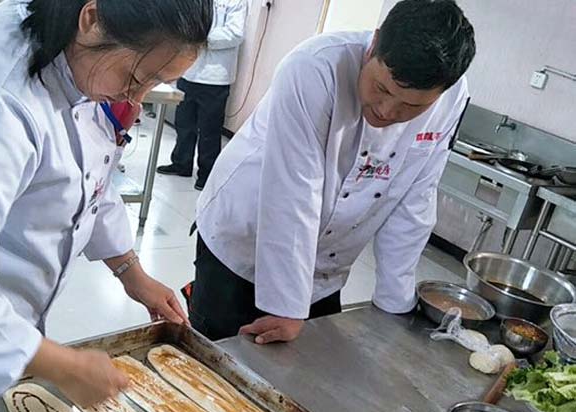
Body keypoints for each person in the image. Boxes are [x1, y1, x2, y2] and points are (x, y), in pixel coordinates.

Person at [0, 0, 212, 407]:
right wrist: (64, 367)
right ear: (92, 18)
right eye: (136, 78)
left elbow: (86, 174)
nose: (136, 99)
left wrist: (131, 272)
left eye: (155, 84)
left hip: (5, 324)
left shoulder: (74, 51)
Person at [189, 0, 476, 343]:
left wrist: (394, 302)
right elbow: (294, 192)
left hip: (326, 265)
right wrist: (287, 306)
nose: (387, 111)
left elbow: (415, 199)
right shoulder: (314, 68)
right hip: (243, 235)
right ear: (373, 45)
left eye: (411, 106)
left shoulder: (452, 100)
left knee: (309, 359)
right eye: (382, 89)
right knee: (218, 350)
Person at [157, 0, 247, 191]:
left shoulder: (236, 2)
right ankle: (181, 163)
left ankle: (207, 174)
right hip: (188, 70)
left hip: (215, 77)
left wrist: (201, 38)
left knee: (209, 130)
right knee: (183, 123)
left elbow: (235, 33)